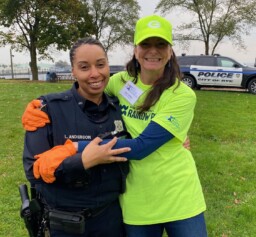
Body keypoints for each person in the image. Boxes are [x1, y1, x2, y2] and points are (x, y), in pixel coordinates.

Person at [22, 15, 207, 237]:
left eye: (161, 44)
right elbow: (89, 85)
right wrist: (40, 106)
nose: (153, 51)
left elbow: (140, 148)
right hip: (136, 199)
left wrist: (73, 149)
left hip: (179, 195)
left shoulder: (182, 94)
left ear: (170, 51)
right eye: (146, 44)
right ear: (136, 49)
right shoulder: (119, 82)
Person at [23, 37, 131, 237]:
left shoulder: (121, 107)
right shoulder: (47, 109)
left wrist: (176, 139)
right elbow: (33, 171)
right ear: (73, 70)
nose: (95, 74)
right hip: (65, 224)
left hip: (112, 221)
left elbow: (145, 126)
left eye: (101, 64)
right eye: (84, 67)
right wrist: (82, 161)